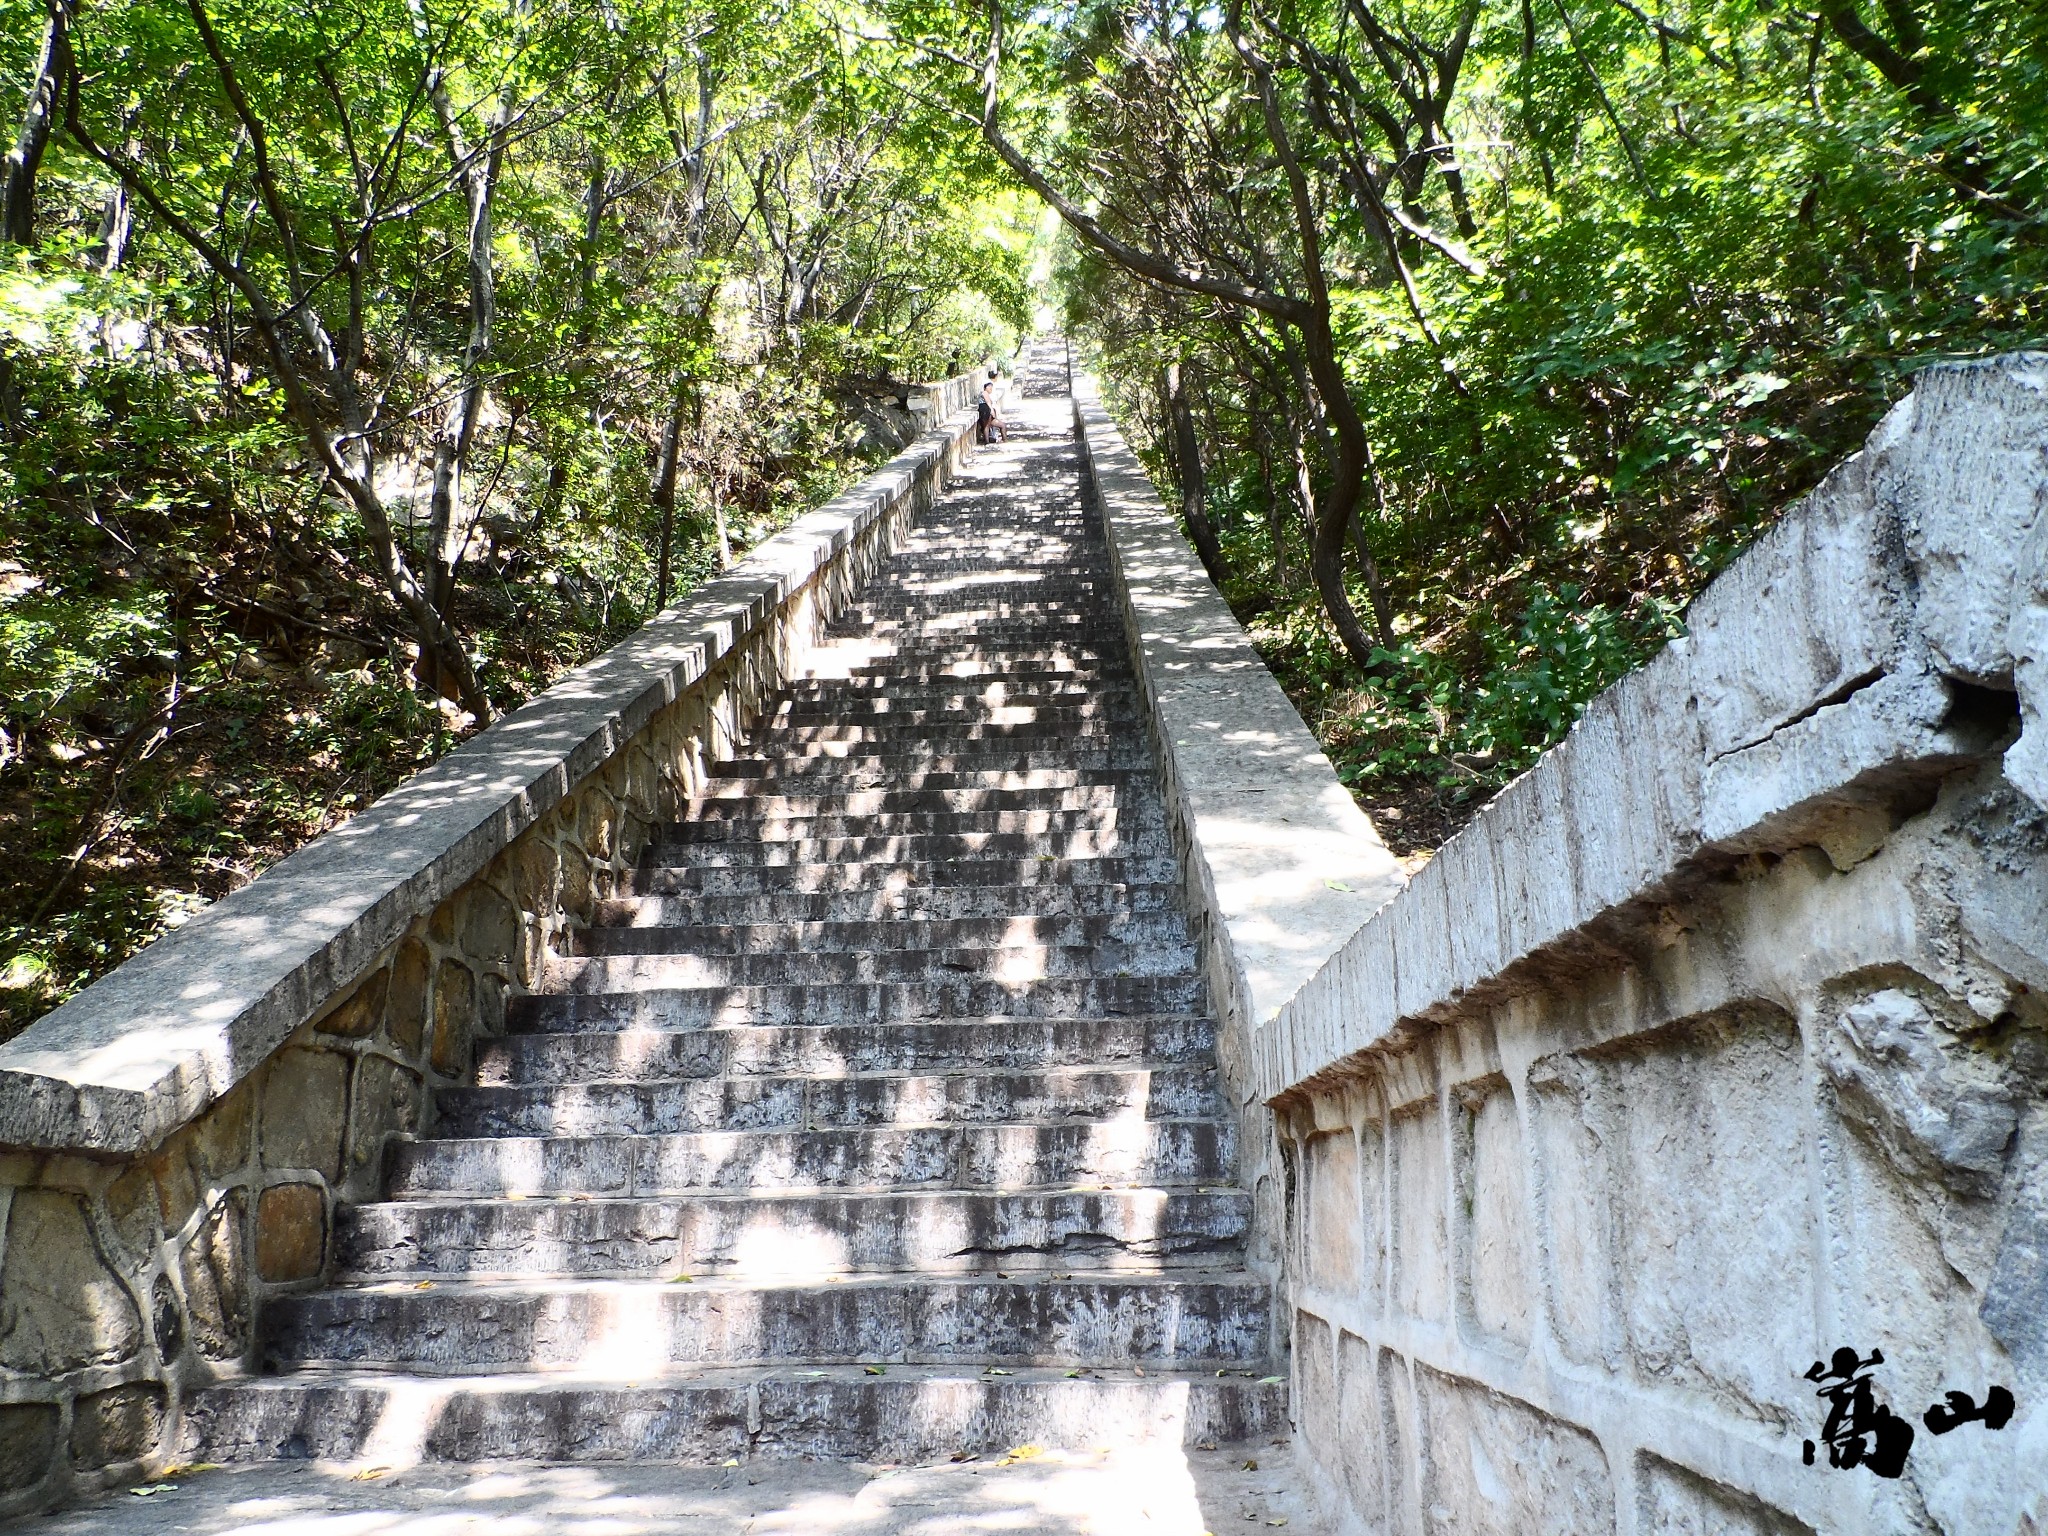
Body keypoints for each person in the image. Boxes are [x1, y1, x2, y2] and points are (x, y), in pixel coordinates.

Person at [977, 369, 1006, 444]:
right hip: (985, 411)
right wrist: (992, 411)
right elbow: (988, 402)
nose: (991, 389)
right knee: (987, 426)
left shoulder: (986, 393)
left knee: (1001, 425)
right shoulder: (984, 393)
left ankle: (1003, 440)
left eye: (991, 387)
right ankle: (987, 441)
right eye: (989, 387)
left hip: (987, 411)